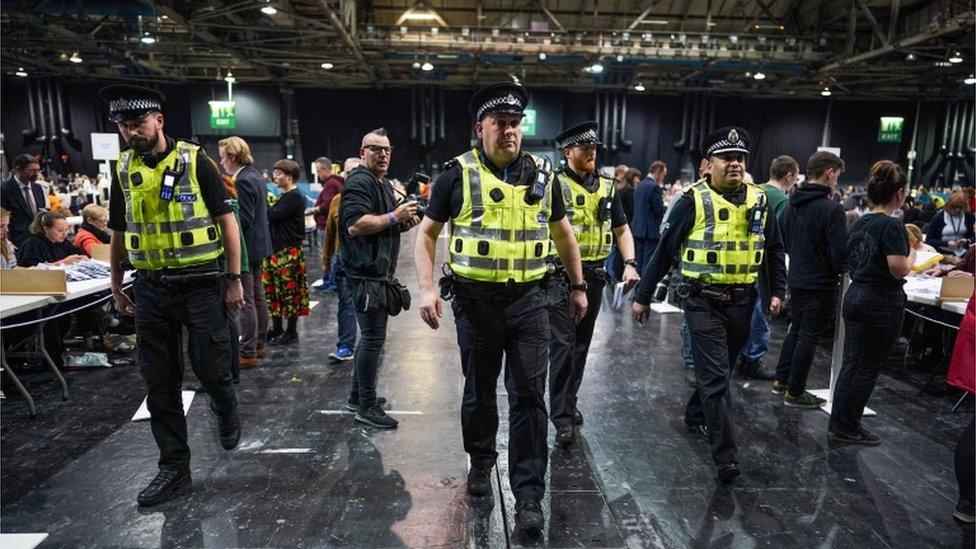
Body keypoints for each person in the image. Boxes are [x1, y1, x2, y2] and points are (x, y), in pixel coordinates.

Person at [415, 82, 587, 534]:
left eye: (516, 124)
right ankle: (481, 460)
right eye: (501, 123)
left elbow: (564, 234)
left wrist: (577, 285)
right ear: (481, 128)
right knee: (479, 391)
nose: (510, 131)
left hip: (531, 301)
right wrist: (427, 288)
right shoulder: (457, 174)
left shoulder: (545, 176)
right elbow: (427, 235)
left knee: (530, 397)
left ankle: (529, 495)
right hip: (475, 304)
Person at [100, 84, 243, 507]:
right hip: (150, 288)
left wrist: (234, 278)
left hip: (200, 282)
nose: (132, 132)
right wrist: (115, 282)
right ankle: (174, 468)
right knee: (159, 381)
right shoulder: (123, 169)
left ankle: (224, 403)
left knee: (211, 365)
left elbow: (227, 222)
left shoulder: (194, 160)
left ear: (159, 120)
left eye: (139, 123)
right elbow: (120, 231)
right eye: (125, 126)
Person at [632, 127, 787, 483]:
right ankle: (726, 458)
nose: (735, 163)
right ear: (709, 164)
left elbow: (774, 250)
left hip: (744, 301)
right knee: (716, 378)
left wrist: (776, 290)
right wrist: (643, 296)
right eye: (726, 158)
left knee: (722, 371)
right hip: (703, 302)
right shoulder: (691, 200)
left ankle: (695, 412)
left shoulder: (759, 200)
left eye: (740, 158)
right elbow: (664, 250)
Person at [547, 121, 640, 447]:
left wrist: (629, 263)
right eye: (585, 149)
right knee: (562, 344)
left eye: (594, 149)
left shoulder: (606, 185)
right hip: (558, 276)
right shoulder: (553, 185)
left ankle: (568, 401)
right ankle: (560, 416)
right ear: (568, 151)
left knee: (581, 346)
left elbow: (622, 229)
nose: (591, 154)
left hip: (595, 275)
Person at [827, 161, 916, 446]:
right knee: (866, 368)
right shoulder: (892, 226)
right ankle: (848, 427)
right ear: (900, 193)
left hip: (856, 295)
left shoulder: (861, 221)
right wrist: (913, 256)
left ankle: (842, 423)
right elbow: (898, 269)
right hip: (880, 301)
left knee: (852, 365)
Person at [340, 128, 417, 429]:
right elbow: (355, 225)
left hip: (375, 273)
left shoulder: (380, 182)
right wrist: (394, 217)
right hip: (364, 275)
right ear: (363, 153)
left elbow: (386, 225)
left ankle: (357, 396)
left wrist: (406, 221)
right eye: (375, 149)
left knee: (369, 338)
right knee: (372, 339)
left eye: (386, 149)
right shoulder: (360, 182)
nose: (382, 154)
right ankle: (366, 406)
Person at [772, 151, 848, 406]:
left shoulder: (792, 204)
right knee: (809, 335)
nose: (836, 180)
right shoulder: (832, 209)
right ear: (829, 172)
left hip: (796, 278)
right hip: (820, 283)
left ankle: (781, 380)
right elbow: (839, 253)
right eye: (836, 175)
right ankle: (795, 391)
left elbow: (781, 239)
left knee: (797, 330)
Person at [736, 155, 799, 380]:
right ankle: (752, 359)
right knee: (761, 314)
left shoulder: (754, 189)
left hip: (742, 262)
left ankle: (741, 354)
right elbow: (777, 242)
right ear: (790, 175)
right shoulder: (783, 201)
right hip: (764, 266)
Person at [219, 136, 273, 366]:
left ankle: (248, 350)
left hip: (248, 247)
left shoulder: (242, 180)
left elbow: (244, 218)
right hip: (259, 246)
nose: (221, 162)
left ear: (232, 156)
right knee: (258, 298)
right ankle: (259, 343)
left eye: (222, 157)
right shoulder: (255, 175)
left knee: (246, 300)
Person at [263, 159, 311, 345]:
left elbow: (272, 215)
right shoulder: (284, 196)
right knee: (274, 292)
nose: (275, 176)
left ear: (290, 177)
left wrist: (262, 200)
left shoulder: (294, 197)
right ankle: (276, 328)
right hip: (276, 251)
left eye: (279, 173)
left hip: (288, 252)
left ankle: (291, 332)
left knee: (289, 294)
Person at [322, 184, 356, 363]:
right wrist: (326, 261)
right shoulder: (337, 200)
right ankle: (346, 346)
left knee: (373, 305)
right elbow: (329, 232)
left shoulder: (374, 195)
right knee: (346, 303)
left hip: (370, 263)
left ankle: (373, 343)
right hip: (343, 261)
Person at [1, 154, 46, 247]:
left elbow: (41, 212)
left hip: (39, 239)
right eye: (32, 170)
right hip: (17, 241)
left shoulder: (38, 188)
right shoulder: (4, 189)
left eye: (38, 170)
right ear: (18, 169)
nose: (36, 173)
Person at [631, 161, 668, 272]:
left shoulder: (640, 185)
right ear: (658, 171)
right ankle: (644, 288)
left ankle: (638, 287)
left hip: (638, 229)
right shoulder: (654, 187)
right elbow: (659, 210)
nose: (663, 178)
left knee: (639, 263)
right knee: (648, 264)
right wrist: (669, 207)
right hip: (650, 232)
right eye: (663, 175)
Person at [16, 211, 87, 267]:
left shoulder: (63, 242)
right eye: (60, 231)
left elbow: (77, 252)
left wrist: (82, 258)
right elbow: (32, 268)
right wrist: (63, 263)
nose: (65, 234)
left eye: (67, 230)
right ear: (46, 229)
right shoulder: (33, 244)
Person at [925, 191, 974, 256]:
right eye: (954, 207)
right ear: (949, 205)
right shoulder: (939, 217)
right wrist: (946, 243)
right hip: (942, 253)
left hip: (964, 253)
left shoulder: (969, 216)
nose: (957, 210)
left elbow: (974, 236)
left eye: (960, 207)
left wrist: (968, 241)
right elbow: (929, 240)